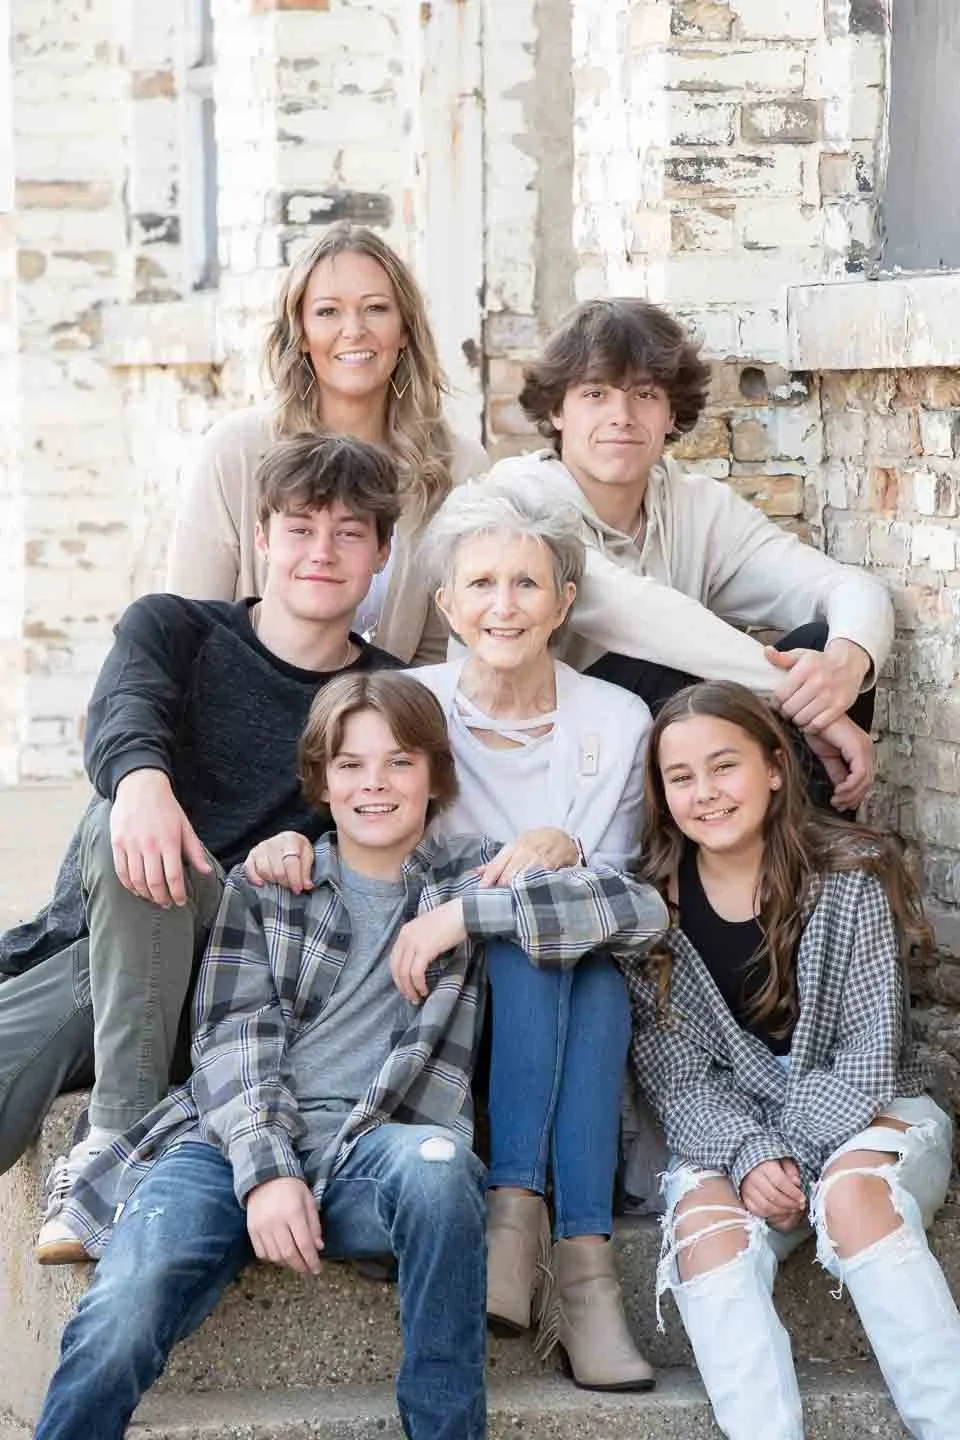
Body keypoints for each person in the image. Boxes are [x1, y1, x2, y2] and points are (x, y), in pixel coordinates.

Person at [34, 671, 669, 1440]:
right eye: (351, 765)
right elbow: (232, 1042)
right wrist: (268, 1174)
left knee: (441, 1170)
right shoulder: (273, 885)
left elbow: (640, 914)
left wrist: (465, 914)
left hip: (379, 1152)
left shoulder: (468, 876)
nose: (376, 784)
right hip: (229, 1144)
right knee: (128, 1301)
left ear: (436, 775)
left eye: (400, 762)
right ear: (320, 781)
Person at [245, 483, 660, 1391]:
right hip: (439, 1006)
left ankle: (535, 1226)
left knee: (567, 950)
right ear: (444, 605)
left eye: (526, 583)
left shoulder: (618, 721)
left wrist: (519, 878)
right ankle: (573, 1259)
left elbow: (621, 905)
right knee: (541, 939)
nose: (502, 605)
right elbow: (342, 808)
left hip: (567, 986)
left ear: (565, 600)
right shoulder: (409, 706)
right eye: (479, 584)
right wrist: (284, 843)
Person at [0, 434, 404, 1263]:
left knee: (157, 883)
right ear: (261, 539)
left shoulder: (386, 699)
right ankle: (117, 1137)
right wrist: (141, 782)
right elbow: (125, 715)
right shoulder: (175, 628)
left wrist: (310, 847)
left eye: (348, 532)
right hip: (117, 943)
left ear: (382, 553)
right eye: (299, 528)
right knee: (133, 840)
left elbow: (387, 831)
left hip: (237, 989)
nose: (320, 552)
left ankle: (112, 1135)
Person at [621, 679, 960, 1439]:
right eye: (681, 778)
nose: (705, 793)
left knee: (853, 1194)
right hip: (735, 1135)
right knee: (708, 1235)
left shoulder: (852, 879)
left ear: (776, 767)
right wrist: (747, 1153)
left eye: (724, 766)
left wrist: (790, 1155)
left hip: (878, 1111)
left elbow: (870, 1055)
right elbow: (676, 1078)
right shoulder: (651, 913)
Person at [486, 297, 894, 811]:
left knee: (820, 645)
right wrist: (816, 712)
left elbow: (848, 589)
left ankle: (814, 870)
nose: (622, 416)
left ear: (672, 411)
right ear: (556, 410)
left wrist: (847, 661)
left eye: (645, 394)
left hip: (680, 752)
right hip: (548, 764)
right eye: (595, 393)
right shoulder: (521, 497)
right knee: (663, 672)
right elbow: (633, 614)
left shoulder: (695, 505)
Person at [166, 221, 488, 661]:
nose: (353, 330)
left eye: (375, 308)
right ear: (299, 333)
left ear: (405, 330)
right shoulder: (234, 452)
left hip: (393, 719)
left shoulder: (459, 468)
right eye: (327, 311)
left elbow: (440, 654)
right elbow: (189, 629)